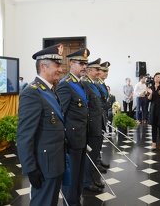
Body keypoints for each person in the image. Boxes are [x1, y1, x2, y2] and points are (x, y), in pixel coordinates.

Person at [16, 43, 65, 206]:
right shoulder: (32, 93)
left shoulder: (49, 90)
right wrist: (30, 169)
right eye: (57, 65)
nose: (60, 69)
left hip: (55, 162)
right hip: (44, 166)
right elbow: (24, 136)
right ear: (43, 67)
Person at [56, 48, 89, 206]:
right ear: (71, 64)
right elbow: (60, 114)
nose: (84, 66)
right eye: (80, 63)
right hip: (72, 139)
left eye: (85, 63)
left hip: (81, 138)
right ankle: (70, 203)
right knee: (72, 177)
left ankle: (76, 201)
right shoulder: (66, 85)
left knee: (79, 177)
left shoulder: (79, 83)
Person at [82, 58, 105, 192]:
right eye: (96, 69)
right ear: (89, 70)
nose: (99, 72)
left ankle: (92, 178)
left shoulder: (93, 83)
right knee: (90, 155)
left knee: (95, 153)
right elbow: (87, 106)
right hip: (92, 125)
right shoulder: (85, 84)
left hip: (97, 123)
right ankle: (87, 181)